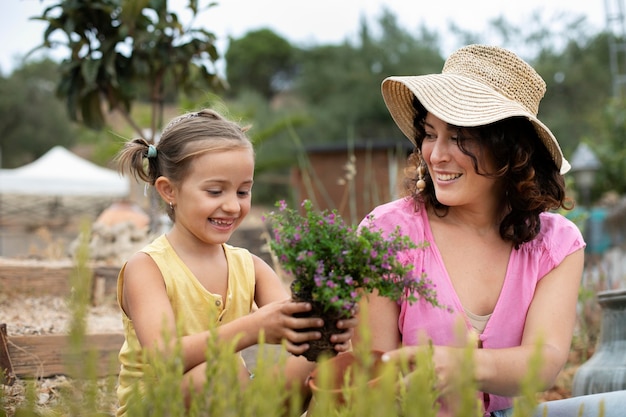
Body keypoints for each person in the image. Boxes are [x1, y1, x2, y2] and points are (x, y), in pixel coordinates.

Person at [354, 44, 588, 417]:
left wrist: (459, 367)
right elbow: (374, 376)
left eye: (461, 137)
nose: (437, 155)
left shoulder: (556, 244)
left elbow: (543, 362)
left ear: (511, 150)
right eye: (431, 134)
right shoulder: (387, 232)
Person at [113, 109, 354, 416]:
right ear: (169, 190)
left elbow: (294, 326)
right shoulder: (147, 268)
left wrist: (325, 331)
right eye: (215, 191)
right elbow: (165, 359)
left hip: (233, 401)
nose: (232, 205)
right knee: (217, 372)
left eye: (243, 191)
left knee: (315, 362)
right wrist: (255, 326)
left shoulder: (250, 266)